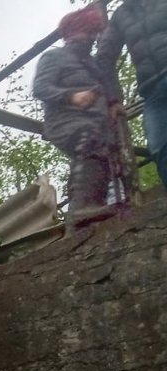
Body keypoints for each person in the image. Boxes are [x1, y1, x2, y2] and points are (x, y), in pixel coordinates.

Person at [33, 6, 114, 228]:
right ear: (73, 33)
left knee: (104, 155)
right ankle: (83, 209)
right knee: (89, 141)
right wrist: (71, 96)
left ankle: (88, 212)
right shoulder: (54, 57)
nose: (91, 38)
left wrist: (113, 105)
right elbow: (40, 88)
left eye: (93, 33)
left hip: (95, 124)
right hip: (64, 122)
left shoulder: (93, 64)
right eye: (87, 32)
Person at [97, 0, 167, 188]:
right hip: (151, 91)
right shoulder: (121, 15)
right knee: (159, 146)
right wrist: (113, 99)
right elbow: (104, 57)